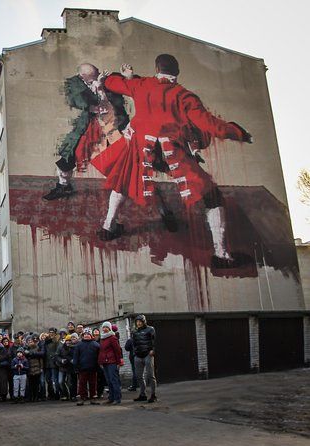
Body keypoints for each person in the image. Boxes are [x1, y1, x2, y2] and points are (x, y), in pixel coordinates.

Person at [93, 55, 254, 269]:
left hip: (142, 148)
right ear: (177, 73)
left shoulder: (142, 84)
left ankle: (107, 227)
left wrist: (111, 78)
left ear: (157, 68)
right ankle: (222, 255)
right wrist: (238, 132)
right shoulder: (185, 96)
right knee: (211, 196)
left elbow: (115, 82)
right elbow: (209, 124)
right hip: (171, 152)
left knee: (123, 181)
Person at [44, 63, 129, 200]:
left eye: (97, 74)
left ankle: (127, 185)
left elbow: (124, 88)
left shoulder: (110, 78)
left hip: (113, 124)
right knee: (69, 156)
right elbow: (76, 100)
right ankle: (64, 186)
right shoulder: (74, 84)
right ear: (82, 77)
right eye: (91, 78)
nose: (96, 79)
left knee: (121, 158)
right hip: (89, 126)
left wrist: (125, 77)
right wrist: (91, 106)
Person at [132, 314, 157, 403]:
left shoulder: (150, 329)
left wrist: (153, 350)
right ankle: (143, 394)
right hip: (138, 355)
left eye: (140, 322)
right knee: (139, 376)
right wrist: (134, 353)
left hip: (148, 354)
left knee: (150, 375)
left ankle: (153, 395)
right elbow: (133, 343)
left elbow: (155, 341)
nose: (138, 323)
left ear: (144, 321)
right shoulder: (134, 331)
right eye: (137, 322)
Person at [98, 321, 124, 404]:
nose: (105, 329)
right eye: (104, 327)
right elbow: (101, 351)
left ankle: (117, 398)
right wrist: (100, 362)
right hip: (104, 362)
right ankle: (111, 398)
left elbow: (117, 350)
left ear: (109, 328)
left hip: (112, 361)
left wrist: (119, 361)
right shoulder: (102, 338)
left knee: (113, 380)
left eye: (106, 327)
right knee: (108, 380)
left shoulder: (112, 337)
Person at [73, 329, 100, 406]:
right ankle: (82, 398)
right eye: (85, 334)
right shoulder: (79, 345)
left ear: (91, 335)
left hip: (93, 368)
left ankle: (93, 398)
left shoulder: (96, 345)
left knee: (93, 384)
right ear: (83, 335)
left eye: (88, 334)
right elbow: (75, 357)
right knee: (82, 384)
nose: (86, 335)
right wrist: (75, 366)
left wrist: (99, 367)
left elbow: (99, 357)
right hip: (82, 368)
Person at [55, 335, 74, 401]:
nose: (68, 342)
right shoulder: (60, 347)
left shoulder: (73, 347)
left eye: (69, 340)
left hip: (70, 368)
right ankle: (65, 394)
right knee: (60, 382)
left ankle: (72, 396)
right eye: (67, 340)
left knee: (70, 383)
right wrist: (61, 360)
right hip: (62, 367)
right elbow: (57, 356)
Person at [25, 336, 43, 402]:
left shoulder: (37, 348)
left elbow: (40, 359)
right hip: (29, 369)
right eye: (29, 341)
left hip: (36, 368)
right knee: (30, 384)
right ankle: (31, 397)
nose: (30, 342)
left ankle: (36, 397)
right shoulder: (26, 349)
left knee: (36, 384)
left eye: (31, 341)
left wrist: (41, 367)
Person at [44, 328, 60, 400]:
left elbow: (57, 351)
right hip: (47, 363)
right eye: (50, 332)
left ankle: (57, 393)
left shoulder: (56, 341)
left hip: (54, 363)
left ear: (55, 333)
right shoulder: (47, 341)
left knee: (54, 380)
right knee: (48, 380)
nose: (51, 333)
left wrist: (54, 357)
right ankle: (51, 393)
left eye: (52, 332)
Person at [92, 328, 106, 398]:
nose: (96, 334)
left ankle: (100, 392)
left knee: (101, 377)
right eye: (94, 333)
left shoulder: (102, 340)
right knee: (94, 378)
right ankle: (95, 392)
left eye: (97, 333)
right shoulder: (91, 341)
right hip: (93, 362)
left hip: (100, 361)